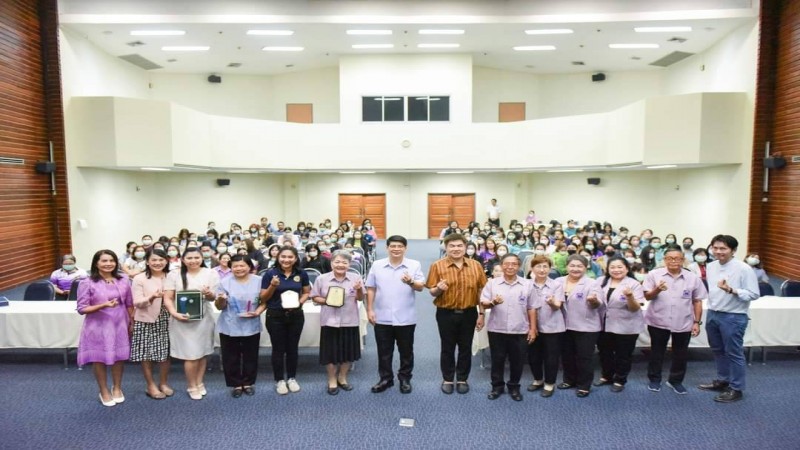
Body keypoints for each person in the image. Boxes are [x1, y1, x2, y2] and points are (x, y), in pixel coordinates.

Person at [699, 235, 760, 403]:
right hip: (713, 313)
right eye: (715, 248)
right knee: (718, 350)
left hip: (733, 316)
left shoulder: (744, 268)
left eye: (723, 248)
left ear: (733, 250)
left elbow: (754, 294)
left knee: (734, 353)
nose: (718, 251)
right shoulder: (710, 266)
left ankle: (736, 388)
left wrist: (732, 290)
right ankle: (722, 380)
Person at [427, 233, 487, 394]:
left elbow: (482, 290)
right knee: (447, 347)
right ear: (446, 248)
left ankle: (462, 378)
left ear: (465, 247)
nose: (456, 249)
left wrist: (481, 314)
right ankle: (447, 378)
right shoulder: (437, 266)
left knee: (465, 347)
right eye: (452, 246)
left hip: (469, 313)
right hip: (446, 313)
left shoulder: (476, 266)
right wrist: (439, 288)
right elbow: (432, 291)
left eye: (459, 245)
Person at [643, 245, 707, 395]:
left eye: (677, 258)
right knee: (657, 351)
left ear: (683, 260)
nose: (674, 261)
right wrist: (657, 289)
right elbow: (647, 296)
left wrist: (696, 322)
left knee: (681, 353)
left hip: (683, 321)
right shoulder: (654, 274)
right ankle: (654, 379)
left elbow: (697, 301)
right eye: (670, 258)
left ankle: (675, 381)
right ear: (664, 260)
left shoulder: (692, 278)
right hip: (658, 320)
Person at [366, 235, 425, 394]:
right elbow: (370, 288)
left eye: (400, 246)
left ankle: (405, 378)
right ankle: (385, 378)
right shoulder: (377, 265)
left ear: (405, 248)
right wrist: (370, 309)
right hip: (381, 315)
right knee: (384, 351)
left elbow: (420, 286)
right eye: (393, 246)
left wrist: (410, 282)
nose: (396, 249)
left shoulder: (414, 265)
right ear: (387, 248)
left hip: (405, 316)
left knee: (406, 351)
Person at [76, 250, 134, 407]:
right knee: (99, 359)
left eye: (111, 260)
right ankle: (104, 390)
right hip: (97, 326)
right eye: (104, 261)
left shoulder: (124, 280)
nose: (108, 264)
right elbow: (82, 308)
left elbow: (129, 303)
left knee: (119, 357)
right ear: (96, 263)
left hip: (120, 324)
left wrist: (132, 321)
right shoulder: (87, 282)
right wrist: (103, 305)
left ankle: (117, 388)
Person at [163, 247, 220, 400]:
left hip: (204, 318)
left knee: (202, 353)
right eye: (189, 258)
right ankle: (191, 385)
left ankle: (199, 382)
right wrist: (174, 313)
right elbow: (168, 298)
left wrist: (209, 294)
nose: (193, 261)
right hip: (182, 319)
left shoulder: (211, 273)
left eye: (197, 257)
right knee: (191, 355)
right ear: (183, 259)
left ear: (202, 258)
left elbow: (213, 298)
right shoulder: (174, 274)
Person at [479, 254, 537, 401]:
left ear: (519, 266)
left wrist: (533, 328)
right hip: (497, 329)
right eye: (506, 264)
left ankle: (514, 387)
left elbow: (532, 308)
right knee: (497, 360)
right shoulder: (492, 283)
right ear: (502, 265)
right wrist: (493, 302)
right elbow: (483, 303)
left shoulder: (527, 284)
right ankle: (497, 387)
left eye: (514, 264)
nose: (510, 267)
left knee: (517, 361)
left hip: (520, 329)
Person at [310, 250, 365, 395]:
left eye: (344, 262)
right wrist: (328, 301)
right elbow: (314, 297)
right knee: (330, 353)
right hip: (329, 321)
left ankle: (342, 377)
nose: (340, 265)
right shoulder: (322, 279)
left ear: (349, 264)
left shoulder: (355, 277)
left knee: (348, 352)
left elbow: (360, 298)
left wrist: (359, 290)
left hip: (349, 320)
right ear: (331, 263)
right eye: (337, 262)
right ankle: (332, 379)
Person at [260, 246, 310, 395]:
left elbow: (307, 292)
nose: (286, 260)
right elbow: (263, 298)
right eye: (283, 256)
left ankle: (292, 378)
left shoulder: (301, 273)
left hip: (296, 315)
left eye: (290, 257)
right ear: (278, 257)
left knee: (292, 348)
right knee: (278, 349)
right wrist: (272, 286)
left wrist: (299, 302)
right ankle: (280, 380)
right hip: (275, 316)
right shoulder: (270, 274)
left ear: (295, 258)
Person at [214, 255, 263, 398]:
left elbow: (265, 300)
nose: (239, 268)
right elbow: (219, 306)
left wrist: (258, 311)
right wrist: (221, 300)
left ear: (249, 267)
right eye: (235, 266)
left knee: (250, 355)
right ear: (231, 267)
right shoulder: (224, 282)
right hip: (230, 324)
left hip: (251, 322)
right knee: (231, 357)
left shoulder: (259, 281)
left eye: (242, 265)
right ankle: (235, 383)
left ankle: (248, 382)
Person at [594, 256, 645, 393]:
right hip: (603, 323)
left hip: (627, 325)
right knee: (605, 352)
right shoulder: (600, 281)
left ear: (627, 268)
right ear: (607, 269)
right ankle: (606, 376)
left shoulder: (634, 284)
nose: (616, 270)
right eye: (613, 267)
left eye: (620, 267)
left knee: (623, 354)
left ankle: (620, 379)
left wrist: (629, 296)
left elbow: (635, 308)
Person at [556, 254, 605, 397]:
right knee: (567, 355)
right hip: (564, 326)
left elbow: (598, 303)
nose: (575, 269)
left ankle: (584, 385)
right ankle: (569, 380)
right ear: (566, 267)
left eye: (579, 266)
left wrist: (593, 301)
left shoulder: (592, 283)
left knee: (584, 357)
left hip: (586, 326)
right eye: (572, 265)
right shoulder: (558, 281)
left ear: (586, 267)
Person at [130, 249, 174, 399]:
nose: (157, 263)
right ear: (147, 261)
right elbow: (136, 302)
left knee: (165, 353)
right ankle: (150, 385)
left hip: (168, 318)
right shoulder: (139, 278)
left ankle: (163, 382)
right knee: (146, 353)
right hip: (145, 319)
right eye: (154, 260)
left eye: (161, 260)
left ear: (166, 261)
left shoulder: (172, 276)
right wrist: (152, 297)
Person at [526, 255, 562, 397]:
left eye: (545, 266)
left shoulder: (556, 285)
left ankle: (549, 383)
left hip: (552, 326)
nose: (542, 269)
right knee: (533, 356)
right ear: (532, 269)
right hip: (531, 326)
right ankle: (538, 380)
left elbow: (558, 306)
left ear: (550, 268)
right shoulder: (526, 284)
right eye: (538, 266)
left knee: (551, 357)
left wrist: (552, 302)